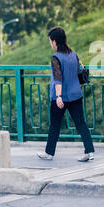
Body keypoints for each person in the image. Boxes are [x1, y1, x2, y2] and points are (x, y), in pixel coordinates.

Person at [37, 27, 95, 162]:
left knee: (55, 125)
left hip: (61, 97)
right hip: (76, 94)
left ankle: (49, 153)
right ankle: (89, 151)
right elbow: (79, 71)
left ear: (54, 41)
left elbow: (58, 78)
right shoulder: (73, 54)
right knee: (81, 123)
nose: (50, 44)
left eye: (50, 41)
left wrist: (58, 96)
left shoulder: (56, 57)